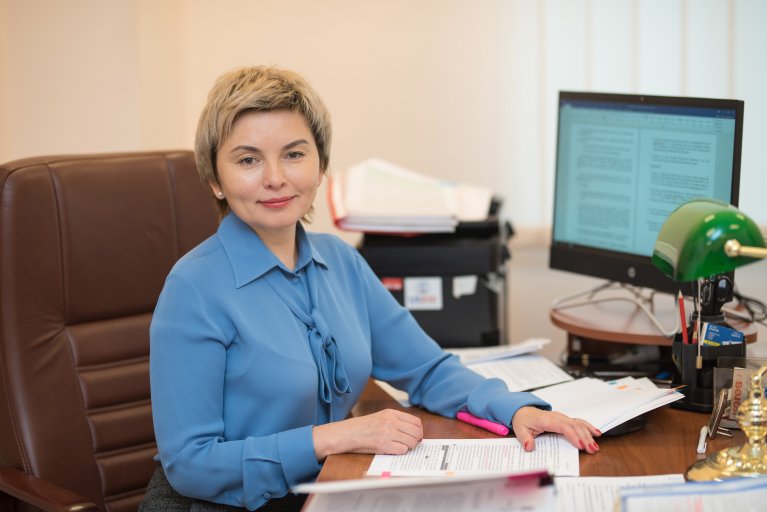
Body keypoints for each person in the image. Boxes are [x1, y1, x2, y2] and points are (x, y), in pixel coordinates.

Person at [141, 65, 601, 512]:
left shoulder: (339, 261)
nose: (276, 177)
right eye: (248, 160)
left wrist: (514, 410)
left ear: (321, 164)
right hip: (218, 504)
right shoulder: (192, 288)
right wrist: (334, 438)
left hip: (323, 486)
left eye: (294, 154)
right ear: (215, 180)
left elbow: (427, 370)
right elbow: (191, 464)